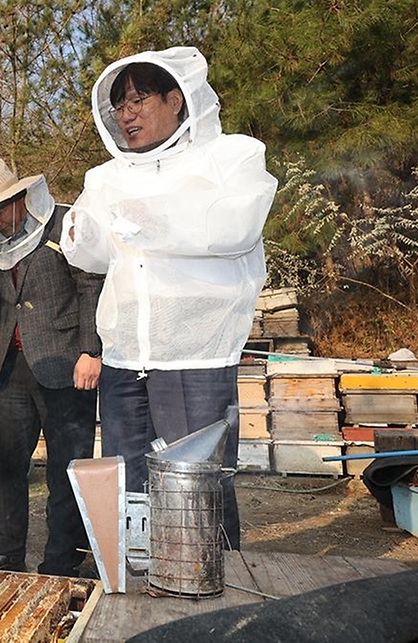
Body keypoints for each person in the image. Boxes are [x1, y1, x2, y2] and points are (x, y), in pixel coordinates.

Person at [60, 46, 278, 549]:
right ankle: (141, 587)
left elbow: (235, 227)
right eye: (119, 105)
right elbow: (93, 256)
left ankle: (215, 588)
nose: (127, 114)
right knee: (130, 486)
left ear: (177, 99)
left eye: (138, 99)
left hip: (195, 356)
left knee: (198, 485)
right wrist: (78, 228)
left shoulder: (231, 156)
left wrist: (148, 217)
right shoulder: (106, 176)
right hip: (123, 360)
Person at [0, 158, 104, 576]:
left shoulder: (63, 224)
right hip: (9, 371)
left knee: (66, 470)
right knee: (6, 470)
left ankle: (63, 559)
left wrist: (91, 351)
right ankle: (5, 555)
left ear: (21, 198)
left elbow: (91, 284)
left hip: (66, 365)